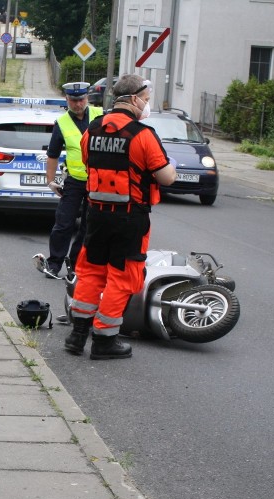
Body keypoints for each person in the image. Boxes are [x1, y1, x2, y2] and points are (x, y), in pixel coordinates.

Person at [64, 74, 177, 360]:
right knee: (122, 278)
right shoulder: (143, 135)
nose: (146, 106)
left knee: (91, 272)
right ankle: (104, 340)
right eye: (147, 101)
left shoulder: (92, 129)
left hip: (96, 215)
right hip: (129, 218)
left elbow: (89, 163)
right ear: (134, 99)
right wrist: (169, 166)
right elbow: (166, 178)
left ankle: (77, 335)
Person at [42, 81, 104, 279]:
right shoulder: (61, 123)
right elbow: (52, 154)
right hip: (75, 181)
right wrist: (50, 181)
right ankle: (54, 264)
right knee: (64, 223)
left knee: (88, 225)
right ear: (67, 100)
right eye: (73, 100)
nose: (78, 104)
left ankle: (76, 264)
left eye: (81, 100)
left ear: (87, 98)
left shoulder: (100, 115)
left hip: (98, 180)